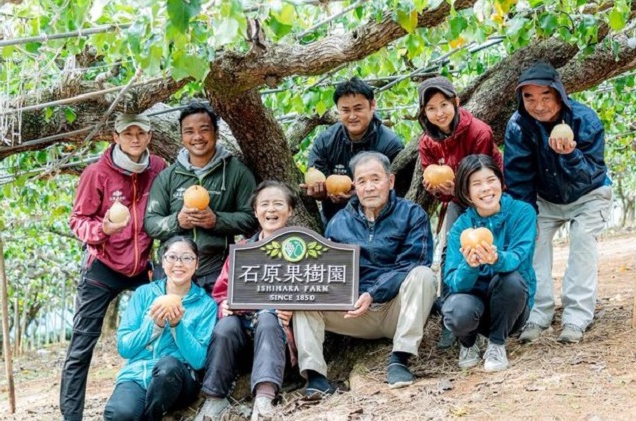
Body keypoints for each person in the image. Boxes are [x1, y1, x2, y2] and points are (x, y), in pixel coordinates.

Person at [293, 152, 437, 394]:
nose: (369, 187)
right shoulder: (339, 222)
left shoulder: (412, 215)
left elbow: (413, 262)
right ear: (354, 186)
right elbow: (331, 271)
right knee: (304, 298)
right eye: (361, 181)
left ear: (390, 181)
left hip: (397, 310)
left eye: (375, 179)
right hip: (354, 313)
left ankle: (400, 358)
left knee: (424, 274)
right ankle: (316, 377)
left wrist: (373, 292)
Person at [60, 113, 167, 421]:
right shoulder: (97, 173)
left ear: (149, 137)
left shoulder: (158, 168)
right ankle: (71, 417)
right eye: (127, 133)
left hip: (142, 266)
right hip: (102, 266)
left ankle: (161, 397)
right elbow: (77, 220)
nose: (135, 138)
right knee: (82, 344)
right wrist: (102, 230)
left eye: (141, 133)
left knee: (171, 315)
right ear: (115, 137)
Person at [504, 62, 612, 344]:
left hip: (589, 195)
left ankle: (577, 317)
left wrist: (570, 155)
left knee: (582, 238)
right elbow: (518, 179)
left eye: (545, 96)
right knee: (533, 242)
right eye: (529, 97)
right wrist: (526, 219)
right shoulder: (518, 127)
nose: (538, 105)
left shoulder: (585, 120)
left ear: (559, 94)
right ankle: (539, 313)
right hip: (545, 199)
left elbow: (591, 173)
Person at [196, 181, 297, 421]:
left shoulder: (302, 249)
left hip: (277, 338)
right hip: (242, 339)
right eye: (264, 204)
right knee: (224, 327)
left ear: (290, 210)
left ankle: (264, 398)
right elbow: (221, 292)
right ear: (255, 212)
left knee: (268, 317)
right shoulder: (242, 250)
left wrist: (294, 310)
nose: (270, 210)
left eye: (278, 204)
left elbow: (317, 292)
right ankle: (214, 399)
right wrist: (225, 305)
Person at [416, 76, 503, 349]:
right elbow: (437, 188)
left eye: (444, 104)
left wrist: (458, 186)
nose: (439, 112)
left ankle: (495, 312)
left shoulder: (479, 132)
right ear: (424, 113)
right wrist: (438, 189)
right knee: (447, 251)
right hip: (456, 200)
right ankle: (450, 316)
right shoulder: (427, 144)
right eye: (431, 108)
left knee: (491, 247)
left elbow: (484, 175)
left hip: (489, 195)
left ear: (456, 102)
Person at [145, 102, 257, 295]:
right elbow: (151, 222)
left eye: (204, 130)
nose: (197, 137)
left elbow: (251, 217)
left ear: (216, 133)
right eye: (189, 131)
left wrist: (217, 220)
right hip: (173, 270)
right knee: (169, 320)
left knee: (217, 324)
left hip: (217, 270)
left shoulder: (236, 172)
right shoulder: (168, 176)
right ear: (182, 137)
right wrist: (176, 221)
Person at [103, 236, 217, 421]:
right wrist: (154, 325)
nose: (178, 263)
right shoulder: (143, 294)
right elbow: (124, 348)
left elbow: (199, 361)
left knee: (168, 366)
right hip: (137, 375)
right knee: (119, 414)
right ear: (163, 262)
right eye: (172, 257)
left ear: (197, 264)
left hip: (178, 380)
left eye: (187, 258)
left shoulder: (206, 305)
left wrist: (176, 325)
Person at [442, 154, 536, 372]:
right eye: (477, 184)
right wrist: (469, 265)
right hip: (473, 303)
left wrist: (497, 259)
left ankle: (497, 344)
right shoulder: (460, 228)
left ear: (501, 182)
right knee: (457, 309)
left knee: (511, 280)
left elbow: (519, 259)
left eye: (491, 180)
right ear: (466, 193)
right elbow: (455, 283)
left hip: (510, 307)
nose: (486, 188)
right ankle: (468, 343)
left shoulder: (522, 213)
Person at [302, 76, 404, 224]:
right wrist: (321, 193)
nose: (352, 116)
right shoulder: (326, 141)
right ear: (338, 110)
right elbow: (316, 176)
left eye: (358, 109)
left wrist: (360, 193)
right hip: (334, 223)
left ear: (372, 105)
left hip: (379, 223)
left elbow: (399, 191)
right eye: (345, 110)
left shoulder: (390, 144)